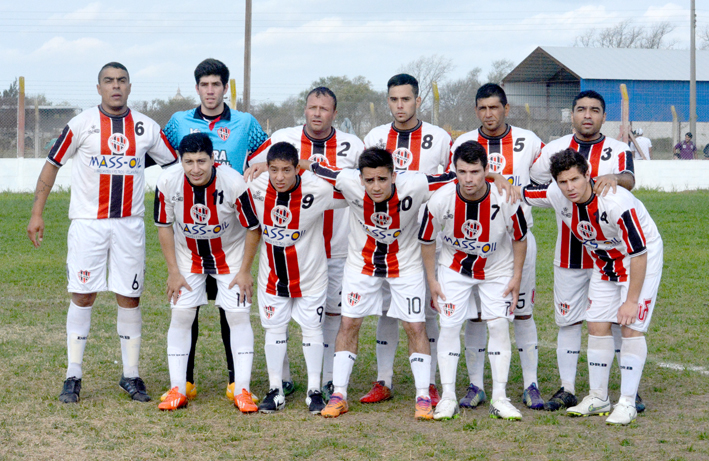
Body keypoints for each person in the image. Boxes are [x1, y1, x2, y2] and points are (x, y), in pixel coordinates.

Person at [26, 62, 178, 403]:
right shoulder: (81, 124)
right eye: (108, 81)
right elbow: (52, 164)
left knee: (130, 296)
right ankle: (73, 374)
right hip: (87, 225)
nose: (115, 86)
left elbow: (171, 166)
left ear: (129, 86)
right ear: (99, 88)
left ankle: (131, 375)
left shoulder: (145, 127)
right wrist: (37, 213)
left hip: (129, 225)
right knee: (83, 295)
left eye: (121, 80)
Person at [304, 148, 456, 420]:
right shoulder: (348, 180)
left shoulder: (417, 183)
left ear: (394, 176)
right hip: (361, 265)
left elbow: (456, 176)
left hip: (405, 265)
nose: (376, 186)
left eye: (382, 179)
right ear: (360, 179)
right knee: (349, 324)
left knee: (415, 326)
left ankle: (422, 396)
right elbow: (316, 169)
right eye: (370, 180)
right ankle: (339, 394)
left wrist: (494, 176)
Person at [523, 148, 662, 425]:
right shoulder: (556, 195)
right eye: (563, 182)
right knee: (596, 324)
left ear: (588, 174)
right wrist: (495, 179)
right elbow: (520, 192)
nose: (569, 187)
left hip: (639, 258)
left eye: (575, 179)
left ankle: (627, 402)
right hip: (604, 259)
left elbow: (639, 252)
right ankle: (599, 397)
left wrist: (631, 300)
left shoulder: (615, 202)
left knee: (630, 326)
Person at [246, 87, 364, 401]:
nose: (316, 113)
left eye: (324, 109)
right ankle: (281, 380)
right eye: (312, 107)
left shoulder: (353, 144)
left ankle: (325, 379)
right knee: (278, 320)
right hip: (286, 246)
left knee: (331, 315)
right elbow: (258, 169)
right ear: (305, 108)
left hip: (337, 244)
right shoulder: (283, 136)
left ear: (334, 113)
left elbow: (358, 185)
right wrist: (258, 168)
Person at [162, 58, 268, 402]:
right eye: (204, 85)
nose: (210, 91)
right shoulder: (179, 122)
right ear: (197, 88)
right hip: (190, 237)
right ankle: (183, 382)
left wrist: (258, 167)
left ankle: (239, 384)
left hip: (230, 226)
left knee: (232, 311)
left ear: (225, 87)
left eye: (216, 85)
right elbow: (160, 152)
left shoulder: (245, 122)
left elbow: (266, 155)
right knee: (184, 311)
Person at [529, 90, 636, 412]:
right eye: (580, 109)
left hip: (613, 253)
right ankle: (568, 388)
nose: (587, 115)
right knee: (569, 321)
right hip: (570, 255)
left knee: (615, 320)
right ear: (571, 114)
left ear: (604, 117)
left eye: (594, 110)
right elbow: (537, 179)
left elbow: (630, 178)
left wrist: (613, 177)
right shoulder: (554, 148)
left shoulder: (618, 148)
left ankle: (625, 389)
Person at [450, 83, 544, 410]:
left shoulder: (528, 141)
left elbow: (548, 175)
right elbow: (456, 180)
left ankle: (531, 384)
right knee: (476, 316)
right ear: (476, 110)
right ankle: (476, 384)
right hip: (473, 241)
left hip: (517, 240)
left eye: (495, 107)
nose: (489, 114)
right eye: (482, 108)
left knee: (522, 312)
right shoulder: (463, 142)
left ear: (506, 108)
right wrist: (493, 176)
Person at [361, 73, 453, 406]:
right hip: (384, 242)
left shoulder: (439, 137)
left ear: (418, 100)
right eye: (394, 100)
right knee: (386, 313)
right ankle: (382, 380)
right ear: (388, 101)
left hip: (425, 241)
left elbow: (454, 178)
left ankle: (428, 384)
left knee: (426, 314)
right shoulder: (374, 136)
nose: (400, 106)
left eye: (406, 99)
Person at [421, 141, 528, 421]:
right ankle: (447, 397)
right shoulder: (441, 198)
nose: (468, 179)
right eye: (462, 172)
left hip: (497, 269)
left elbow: (519, 238)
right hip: (453, 268)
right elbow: (427, 240)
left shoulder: (505, 198)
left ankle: (500, 398)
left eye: (475, 172)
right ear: (454, 170)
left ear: (487, 171)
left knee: (499, 326)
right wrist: (432, 280)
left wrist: (517, 276)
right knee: (449, 327)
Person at [153, 133, 261, 412]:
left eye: (202, 161)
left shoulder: (234, 182)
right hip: (188, 256)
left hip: (231, 255)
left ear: (214, 159)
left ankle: (242, 389)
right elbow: (164, 226)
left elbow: (252, 228)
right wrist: (173, 271)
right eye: (188, 161)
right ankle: (178, 388)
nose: (195, 168)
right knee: (181, 314)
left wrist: (246, 271)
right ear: (180, 161)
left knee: (237, 315)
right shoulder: (167, 181)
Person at [248, 142, 347, 415]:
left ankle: (314, 390)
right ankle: (275, 389)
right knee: (275, 330)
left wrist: (308, 164)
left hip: (311, 276)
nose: (279, 177)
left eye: (287, 170)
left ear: (296, 169)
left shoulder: (317, 190)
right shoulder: (255, 187)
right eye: (274, 170)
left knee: (312, 329)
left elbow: (349, 187)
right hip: (272, 276)